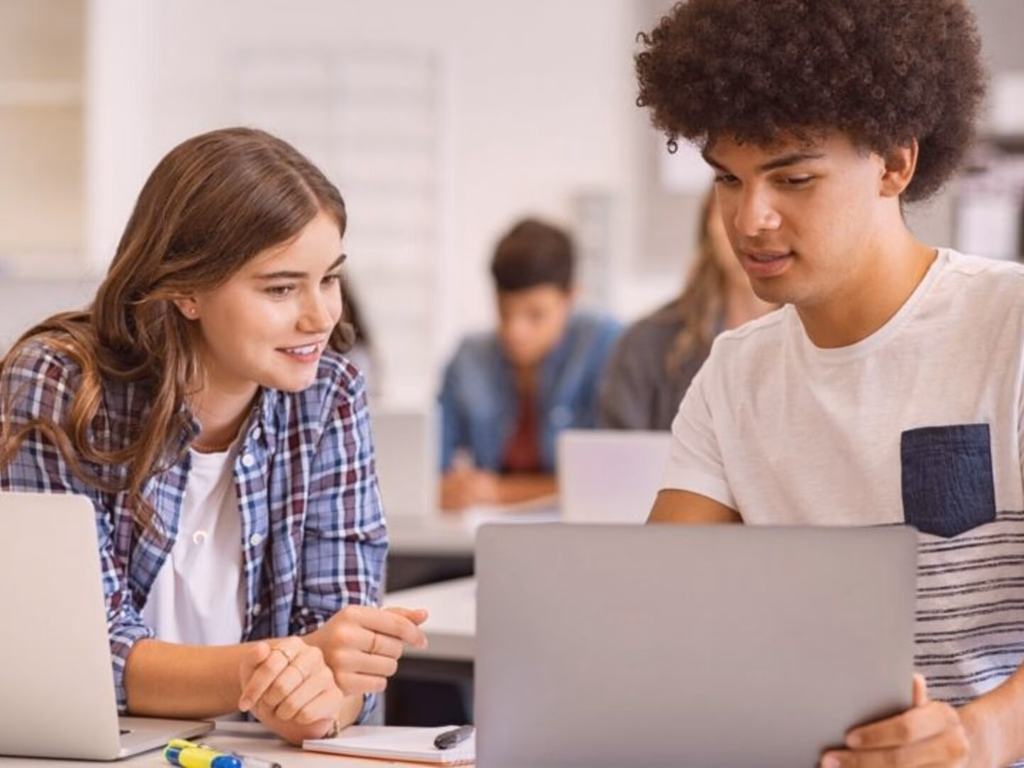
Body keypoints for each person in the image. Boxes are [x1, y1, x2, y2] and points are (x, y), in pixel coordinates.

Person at [637, 1, 1024, 766]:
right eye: (727, 180)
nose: (751, 220)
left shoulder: (1010, 328)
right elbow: (658, 616)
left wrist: (975, 737)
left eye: (794, 179)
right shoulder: (735, 375)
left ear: (894, 163)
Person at [0, 128, 427, 745]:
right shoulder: (60, 385)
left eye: (329, 279)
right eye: (281, 287)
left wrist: (317, 704)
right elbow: (85, 650)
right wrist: (277, 668)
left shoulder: (331, 397)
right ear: (186, 290)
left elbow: (344, 653)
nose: (320, 316)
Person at [438, 218, 621, 511]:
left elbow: (611, 481)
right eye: (504, 310)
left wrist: (499, 492)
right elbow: (432, 472)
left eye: (535, 314)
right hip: (483, 534)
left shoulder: (606, 346)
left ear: (570, 298)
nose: (515, 330)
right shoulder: (469, 357)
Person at [599, 189, 773, 430]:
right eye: (735, 206)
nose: (752, 229)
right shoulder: (644, 344)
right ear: (710, 221)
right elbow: (619, 458)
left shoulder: (823, 342)